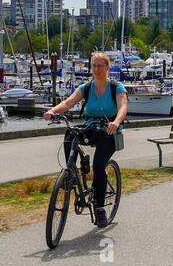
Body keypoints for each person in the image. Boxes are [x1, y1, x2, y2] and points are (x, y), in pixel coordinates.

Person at [43, 52, 128, 227]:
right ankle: (70, 173)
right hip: (91, 127)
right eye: (94, 66)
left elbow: (123, 106)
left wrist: (116, 122)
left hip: (109, 131)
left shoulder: (116, 87)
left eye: (100, 66)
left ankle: (100, 209)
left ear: (107, 67)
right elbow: (68, 103)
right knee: (70, 134)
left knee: (98, 166)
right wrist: (52, 111)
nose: (96, 69)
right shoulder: (86, 87)